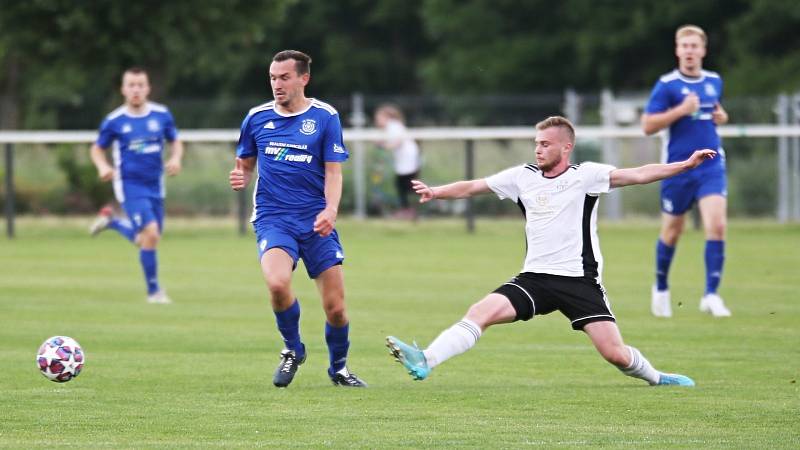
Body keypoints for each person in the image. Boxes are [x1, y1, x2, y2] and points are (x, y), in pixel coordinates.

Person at [387, 116, 711, 386]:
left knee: (616, 354)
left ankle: (657, 378)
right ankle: (426, 359)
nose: (538, 149)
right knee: (479, 312)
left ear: (565, 147)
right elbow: (474, 186)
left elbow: (638, 174)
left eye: (545, 144)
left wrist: (684, 165)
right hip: (535, 279)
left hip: (578, 281)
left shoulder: (586, 175)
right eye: (536, 143)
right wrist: (435, 191)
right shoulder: (522, 177)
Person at [229, 50, 366, 388]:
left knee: (336, 309)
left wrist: (330, 210)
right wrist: (241, 176)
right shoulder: (256, 118)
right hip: (273, 218)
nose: (277, 84)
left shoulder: (325, 117)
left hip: (317, 221)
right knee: (277, 283)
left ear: (303, 78)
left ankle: (339, 369)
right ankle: (292, 348)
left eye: (284, 77)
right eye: (273, 78)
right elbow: (244, 163)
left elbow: (334, 173)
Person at [642, 25, 731, 318]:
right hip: (678, 167)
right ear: (677, 50)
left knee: (716, 225)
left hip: (711, 165)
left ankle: (711, 295)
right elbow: (648, 126)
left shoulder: (714, 81)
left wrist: (722, 117)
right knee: (672, 231)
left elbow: (715, 113)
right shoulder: (667, 85)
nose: (690, 51)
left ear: (703, 50)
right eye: (685, 46)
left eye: (695, 46)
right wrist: (680, 110)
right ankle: (661, 287)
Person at [89, 67, 184, 304]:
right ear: (123, 89)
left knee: (147, 240)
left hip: (156, 185)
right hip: (130, 185)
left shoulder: (161, 115)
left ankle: (112, 222)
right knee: (150, 234)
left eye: (140, 85)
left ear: (148, 88)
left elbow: (176, 141)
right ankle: (154, 292)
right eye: (131, 85)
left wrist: (175, 158)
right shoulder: (114, 121)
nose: (136, 89)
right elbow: (97, 148)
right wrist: (102, 166)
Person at [374, 104, 422, 220]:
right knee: (404, 185)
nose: (377, 121)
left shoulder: (393, 126)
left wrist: (384, 146)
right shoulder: (392, 127)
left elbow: (397, 141)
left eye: (378, 118)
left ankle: (409, 208)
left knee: (406, 185)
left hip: (407, 160)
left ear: (387, 117)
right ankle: (407, 209)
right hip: (405, 160)